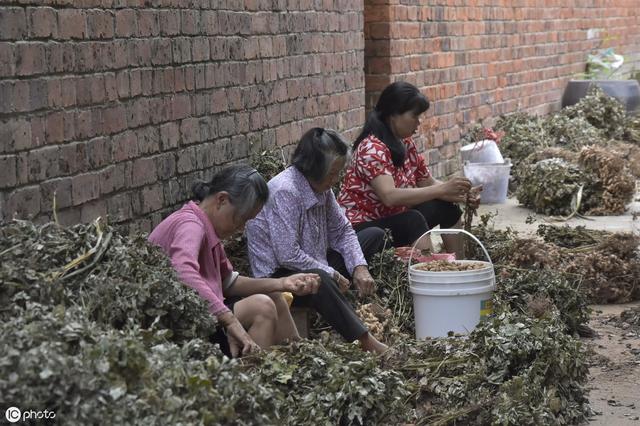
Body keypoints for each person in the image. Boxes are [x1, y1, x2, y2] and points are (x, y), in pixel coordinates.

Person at [148, 165, 321, 358]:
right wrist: (229, 320)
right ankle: (249, 382)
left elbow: (227, 282)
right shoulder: (190, 225)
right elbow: (182, 271)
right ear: (221, 200)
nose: (240, 228)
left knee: (274, 296)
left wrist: (281, 283)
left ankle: (301, 360)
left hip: (204, 312)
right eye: (240, 219)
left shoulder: (207, 226)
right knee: (261, 307)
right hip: (175, 323)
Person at [245, 128, 388, 353]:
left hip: (314, 261)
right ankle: (364, 339)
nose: (336, 179)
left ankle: (347, 292)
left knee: (373, 235)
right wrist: (331, 273)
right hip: (279, 276)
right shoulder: (285, 191)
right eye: (332, 173)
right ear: (313, 168)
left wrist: (359, 268)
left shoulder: (323, 189)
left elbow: (343, 230)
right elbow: (288, 254)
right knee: (320, 279)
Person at [337, 81, 481, 257]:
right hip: (363, 230)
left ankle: (460, 266)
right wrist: (441, 189)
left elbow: (427, 182)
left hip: (392, 221)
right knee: (413, 219)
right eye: (415, 116)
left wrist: (461, 195)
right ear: (393, 115)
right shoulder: (372, 148)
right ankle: (426, 273)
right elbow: (389, 196)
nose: (419, 122)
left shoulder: (405, 143)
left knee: (446, 207)